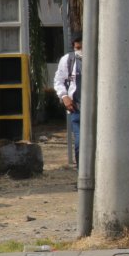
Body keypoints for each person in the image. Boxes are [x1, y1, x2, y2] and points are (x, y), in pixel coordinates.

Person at [53, 33, 84, 167]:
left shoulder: (101, 58)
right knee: (80, 142)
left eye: (83, 47)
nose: (80, 51)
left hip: (99, 109)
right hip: (77, 108)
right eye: (78, 48)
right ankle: (82, 172)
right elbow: (58, 81)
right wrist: (64, 97)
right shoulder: (68, 60)